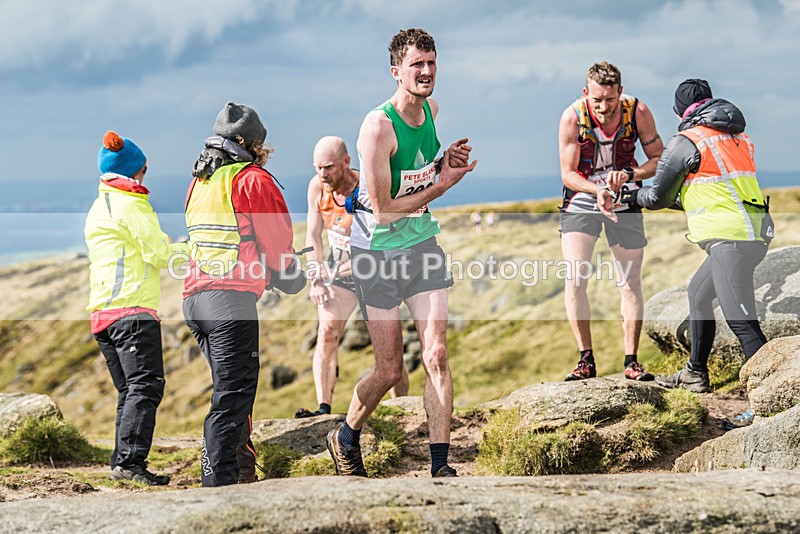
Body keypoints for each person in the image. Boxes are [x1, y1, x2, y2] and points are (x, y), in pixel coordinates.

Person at [325, 28, 477, 479]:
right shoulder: (377, 128)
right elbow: (386, 209)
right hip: (376, 251)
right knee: (390, 369)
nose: (427, 72)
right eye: (417, 65)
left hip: (422, 246)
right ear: (396, 71)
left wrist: (441, 162)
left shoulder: (431, 109)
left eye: (432, 63)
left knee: (436, 355)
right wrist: (443, 184)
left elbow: (417, 173)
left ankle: (440, 465)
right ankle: (346, 435)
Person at [603, 79, 773, 430]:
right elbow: (710, 193)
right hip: (752, 231)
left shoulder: (688, 141)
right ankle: (696, 373)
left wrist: (628, 199)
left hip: (731, 239)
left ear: (680, 111)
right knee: (698, 293)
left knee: (742, 322)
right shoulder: (736, 137)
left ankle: (769, 404)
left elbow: (659, 197)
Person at [182, 102, 305, 487]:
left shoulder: (200, 181)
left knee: (229, 393)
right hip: (229, 303)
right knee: (232, 398)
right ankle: (217, 485)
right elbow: (276, 244)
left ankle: (240, 473)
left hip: (195, 301)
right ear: (254, 145)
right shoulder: (252, 180)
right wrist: (289, 277)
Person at [85, 131, 189, 486]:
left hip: (103, 314)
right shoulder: (131, 204)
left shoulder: (101, 204)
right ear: (137, 169)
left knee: (131, 389)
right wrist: (195, 252)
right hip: (131, 311)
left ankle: (122, 461)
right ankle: (130, 463)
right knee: (146, 386)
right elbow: (159, 254)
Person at [557, 61, 664, 382]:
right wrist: (598, 189)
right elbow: (567, 173)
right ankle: (585, 360)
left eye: (610, 100)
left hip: (626, 196)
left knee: (629, 281)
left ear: (620, 92)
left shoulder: (638, 112)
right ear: (585, 93)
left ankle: (631, 361)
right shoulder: (572, 117)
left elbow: (659, 160)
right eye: (597, 100)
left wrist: (631, 174)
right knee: (575, 278)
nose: (604, 107)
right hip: (583, 196)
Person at [295, 136, 409, 419]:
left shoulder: (368, 186)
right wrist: (316, 276)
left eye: (329, 167)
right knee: (327, 331)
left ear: (347, 162)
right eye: (318, 167)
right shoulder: (316, 187)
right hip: (340, 272)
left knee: (388, 344)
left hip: (376, 270)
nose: (323, 174)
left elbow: (391, 235)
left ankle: (402, 407)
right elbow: (312, 234)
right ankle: (323, 409)